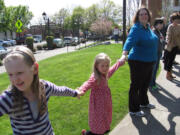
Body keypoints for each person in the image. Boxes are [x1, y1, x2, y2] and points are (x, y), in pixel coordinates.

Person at [0, 46, 84, 135]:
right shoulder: (9, 98)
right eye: (10, 74)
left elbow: (61, 90)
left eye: (19, 73)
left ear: (35, 69)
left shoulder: (44, 87)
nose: (15, 79)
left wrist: (75, 93)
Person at [120, 7, 158, 117]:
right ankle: (134, 109)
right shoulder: (136, 28)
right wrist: (124, 54)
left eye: (145, 14)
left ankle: (144, 102)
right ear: (138, 16)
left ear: (148, 16)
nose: (144, 16)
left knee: (145, 85)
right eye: (141, 14)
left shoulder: (147, 27)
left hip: (150, 61)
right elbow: (129, 41)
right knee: (135, 86)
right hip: (138, 62)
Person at [80, 53, 125, 135]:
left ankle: (91, 132)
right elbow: (88, 83)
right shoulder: (95, 77)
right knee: (98, 122)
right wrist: (81, 90)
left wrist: (120, 62)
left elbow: (112, 69)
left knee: (105, 117)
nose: (105, 68)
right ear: (97, 66)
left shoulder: (105, 74)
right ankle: (87, 133)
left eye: (107, 65)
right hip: (98, 105)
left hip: (105, 103)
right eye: (102, 66)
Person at [164, 12, 180, 81]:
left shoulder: (179, 26)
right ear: (172, 20)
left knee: (172, 60)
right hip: (170, 46)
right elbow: (168, 35)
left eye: (178, 20)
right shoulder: (170, 26)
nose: (177, 21)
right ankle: (167, 75)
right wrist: (167, 41)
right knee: (169, 61)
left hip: (176, 46)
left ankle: (170, 73)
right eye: (175, 20)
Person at [149, 18, 164, 90]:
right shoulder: (154, 32)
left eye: (162, 24)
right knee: (153, 69)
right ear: (156, 24)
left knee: (155, 69)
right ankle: (151, 85)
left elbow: (160, 41)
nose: (161, 25)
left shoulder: (158, 32)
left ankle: (153, 84)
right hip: (154, 53)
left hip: (158, 53)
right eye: (160, 24)